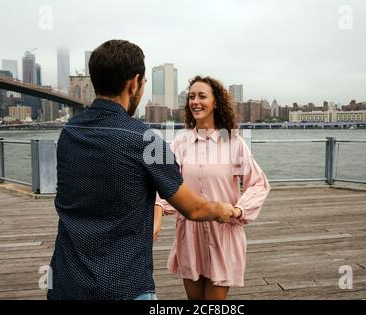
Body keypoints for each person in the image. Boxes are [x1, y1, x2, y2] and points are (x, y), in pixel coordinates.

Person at [47, 41, 237, 300]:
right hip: (125, 287)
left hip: (66, 284)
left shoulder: (68, 133)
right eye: (144, 83)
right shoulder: (147, 141)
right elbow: (193, 208)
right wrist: (222, 209)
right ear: (134, 83)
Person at [154, 76, 270, 300]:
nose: (195, 101)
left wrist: (238, 211)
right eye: (191, 97)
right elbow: (167, 187)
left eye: (202, 96)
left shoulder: (234, 143)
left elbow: (258, 184)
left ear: (216, 102)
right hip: (189, 234)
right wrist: (158, 212)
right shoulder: (180, 143)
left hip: (222, 233)